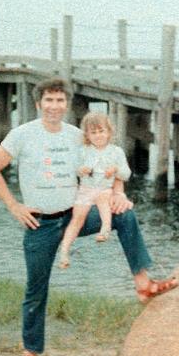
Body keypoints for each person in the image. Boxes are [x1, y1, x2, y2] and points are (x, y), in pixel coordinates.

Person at [0, 78, 178, 356]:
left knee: (125, 215)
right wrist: (14, 206)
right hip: (41, 223)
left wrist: (119, 193)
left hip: (76, 214)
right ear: (38, 104)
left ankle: (143, 283)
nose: (54, 106)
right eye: (48, 100)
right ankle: (30, 353)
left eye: (60, 101)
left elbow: (109, 160)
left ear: (67, 105)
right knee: (36, 290)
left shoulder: (77, 136)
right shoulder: (22, 135)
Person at [58, 111, 130, 270]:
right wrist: (81, 170)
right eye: (93, 133)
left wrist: (116, 170)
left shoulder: (116, 151)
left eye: (101, 131)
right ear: (87, 135)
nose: (98, 136)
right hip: (86, 189)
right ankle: (64, 252)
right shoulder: (83, 150)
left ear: (109, 132)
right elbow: (74, 169)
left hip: (104, 189)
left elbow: (126, 174)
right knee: (77, 219)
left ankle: (105, 230)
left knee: (105, 199)